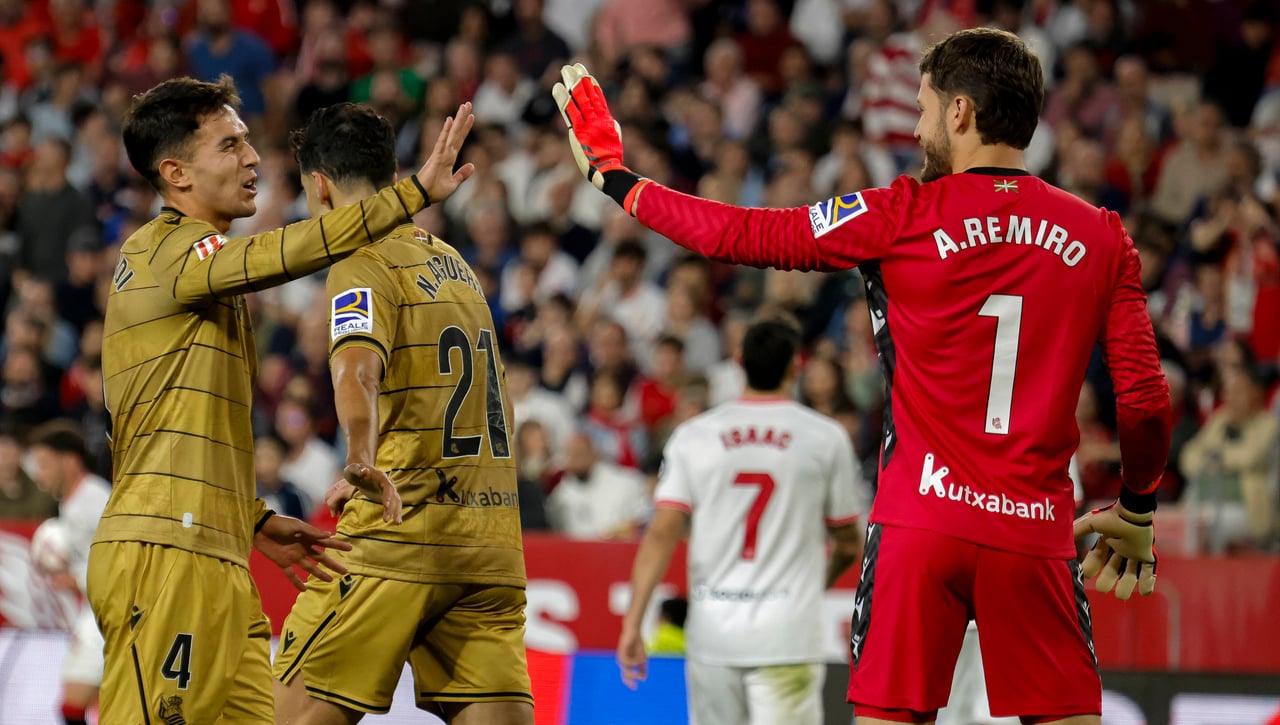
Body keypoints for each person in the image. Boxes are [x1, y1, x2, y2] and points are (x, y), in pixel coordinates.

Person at [556, 26, 1171, 725]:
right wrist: (1139, 507)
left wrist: (618, 181)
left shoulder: (900, 214)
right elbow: (1146, 402)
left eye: (923, 107)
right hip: (1034, 536)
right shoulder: (1100, 235)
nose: (916, 124)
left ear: (961, 113)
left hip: (920, 528)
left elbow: (741, 233)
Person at [89, 75, 476, 725]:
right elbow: (286, 250)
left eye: (246, 141)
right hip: (163, 554)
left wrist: (254, 519)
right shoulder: (160, 251)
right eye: (229, 146)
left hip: (217, 554)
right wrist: (409, 195)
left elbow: (185, 424)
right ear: (176, 172)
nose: (254, 159)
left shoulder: (200, 273)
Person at [272, 102, 532, 725]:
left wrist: (360, 459)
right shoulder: (457, 266)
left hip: (395, 539)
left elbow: (355, 369)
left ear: (320, 186)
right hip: (489, 546)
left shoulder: (359, 259)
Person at [617, 316, 867, 725]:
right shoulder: (825, 437)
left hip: (714, 632)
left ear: (738, 361)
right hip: (787, 633)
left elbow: (661, 534)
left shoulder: (694, 435)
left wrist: (632, 623)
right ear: (796, 366)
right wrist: (812, 586)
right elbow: (846, 543)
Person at [28, 422, 112, 725]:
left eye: (45, 464)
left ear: (71, 461)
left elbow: (119, 561)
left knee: (73, 705)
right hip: (94, 611)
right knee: (105, 704)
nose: (39, 475)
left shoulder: (94, 501)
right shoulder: (71, 503)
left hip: (107, 615)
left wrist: (77, 580)